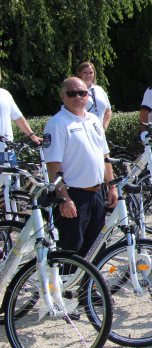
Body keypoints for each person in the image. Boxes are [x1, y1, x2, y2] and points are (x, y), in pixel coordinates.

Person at [44, 77, 117, 256]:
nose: (77, 96)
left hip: (97, 194)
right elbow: (53, 166)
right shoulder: (57, 123)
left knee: (96, 251)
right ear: (63, 97)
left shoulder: (93, 120)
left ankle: (91, 285)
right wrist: (63, 198)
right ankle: (69, 284)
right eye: (72, 93)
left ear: (88, 95)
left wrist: (112, 187)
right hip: (73, 196)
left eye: (82, 92)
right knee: (71, 252)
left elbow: (104, 156)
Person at [0, 71, 42, 164]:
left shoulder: (5, 94)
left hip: (8, 152)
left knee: (13, 178)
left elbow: (17, 117)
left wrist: (32, 135)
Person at [76, 62, 112, 129]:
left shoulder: (100, 90)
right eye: (85, 72)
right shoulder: (76, 92)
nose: (88, 75)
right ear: (79, 73)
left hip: (99, 132)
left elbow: (108, 111)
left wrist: (104, 127)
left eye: (90, 72)